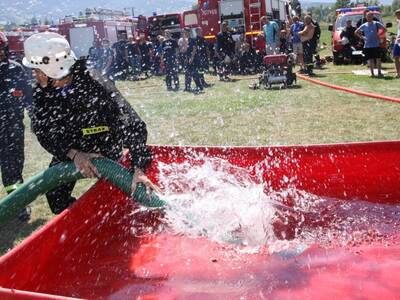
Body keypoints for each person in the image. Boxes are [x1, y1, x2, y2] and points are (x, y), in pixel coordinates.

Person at [22, 32, 158, 215]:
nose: (35, 75)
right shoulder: (41, 93)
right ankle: (81, 223)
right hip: (71, 147)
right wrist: (74, 154)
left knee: (123, 189)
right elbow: (42, 131)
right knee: (55, 196)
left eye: (37, 71)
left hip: (105, 143)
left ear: (53, 70)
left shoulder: (95, 83)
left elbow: (132, 123)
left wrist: (139, 168)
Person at [0, 32, 32, 221]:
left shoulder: (15, 69)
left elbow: (28, 95)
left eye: (1, 49)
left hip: (13, 126)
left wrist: (36, 117)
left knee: (13, 165)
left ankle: (17, 202)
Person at [355, 11, 386, 77]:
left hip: (376, 45)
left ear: (372, 17)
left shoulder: (376, 23)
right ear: (366, 17)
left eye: (370, 16)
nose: (369, 17)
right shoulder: (364, 25)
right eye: (367, 16)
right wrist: (362, 37)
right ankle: (372, 74)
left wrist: (379, 35)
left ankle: (379, 73)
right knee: (370, 60)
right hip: (367, 45)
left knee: (378, 59)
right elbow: (356, 32)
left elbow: (384, 29)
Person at [184, 29, 203, 93]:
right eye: (184, 33)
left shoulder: (192, 40)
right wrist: (187, 58)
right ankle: (187, 87)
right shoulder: (187, 40)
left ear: (189, 33)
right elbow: (187, 51)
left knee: (194, 73)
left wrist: (191, 57)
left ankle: (199, 86)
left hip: (193, 59)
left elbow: (194, 49)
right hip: (189, 59)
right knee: (188, 73)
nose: (185, 34)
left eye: (186, 33)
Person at [393, 9, 400, 78]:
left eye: (397, 14)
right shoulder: (398, 21)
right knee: (396, 57)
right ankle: (398, 73)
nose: (396, 16)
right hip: (397, 42)